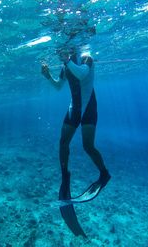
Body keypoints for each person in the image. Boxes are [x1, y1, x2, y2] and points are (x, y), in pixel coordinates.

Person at [41, 47, 111, 201]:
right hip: (74, 108)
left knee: (88, 146)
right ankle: (65, 177)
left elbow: (82, 74)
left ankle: (104, 173)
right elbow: (59, 85)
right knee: (63, 142)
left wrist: (66, 60)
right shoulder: (65, 64)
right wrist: (48, 76)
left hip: (88, 108)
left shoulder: (87, 57)